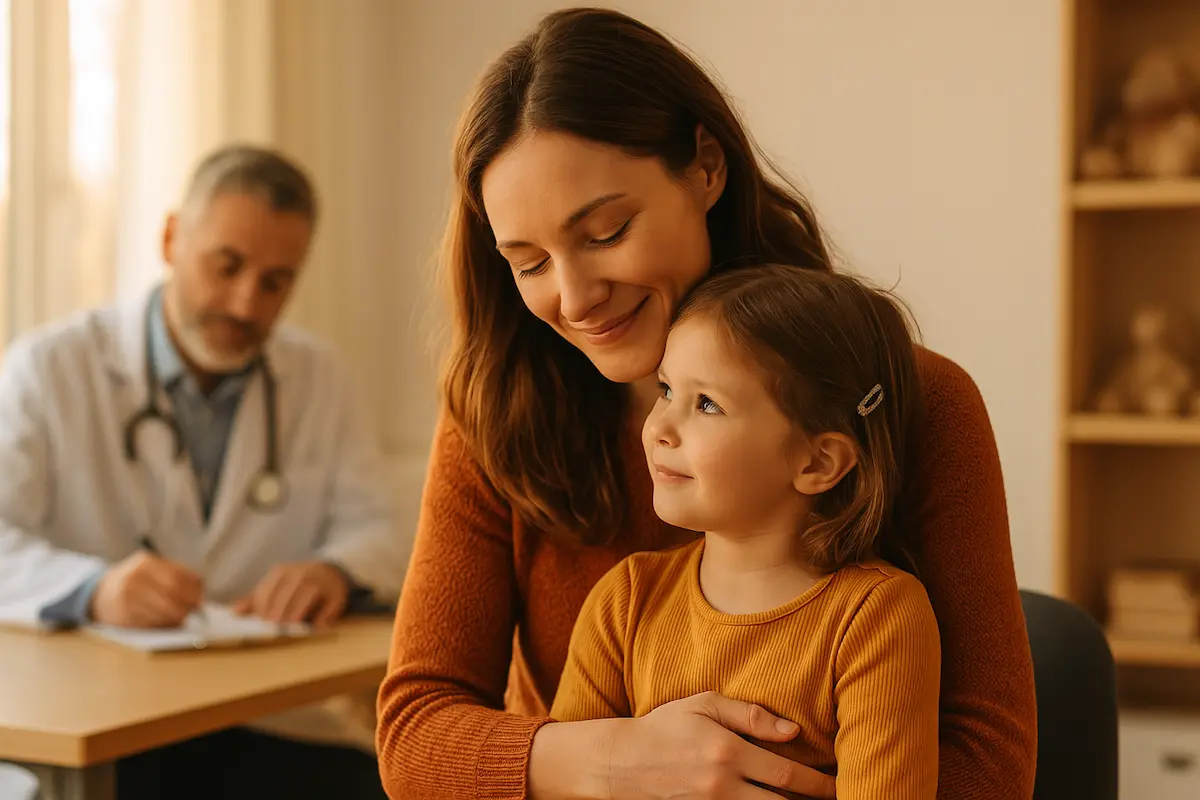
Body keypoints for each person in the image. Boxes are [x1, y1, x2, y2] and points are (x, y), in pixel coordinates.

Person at [377, 7, 1036, 799]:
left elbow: (991, 761)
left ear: (705, 167)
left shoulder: (913, 401)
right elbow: (414, 736)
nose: (576, 297)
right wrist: (620, 764)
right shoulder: (500, 415)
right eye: (528, 263)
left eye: (607, 230)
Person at [0, 144, 404, 799]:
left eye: (275, 281)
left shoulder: (318, 376)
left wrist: (335, 570)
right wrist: (94, 590)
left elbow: (379, 530)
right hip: (109, 725)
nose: (246, 304)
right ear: (170, 238)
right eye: (228, 266)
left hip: (260, 722)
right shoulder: (50, 369)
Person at [551, 264, 940, 798]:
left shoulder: (876, 617)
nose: (660, 427)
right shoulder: (624, 603)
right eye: (666, 389)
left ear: (818, 462)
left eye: (706, 404)